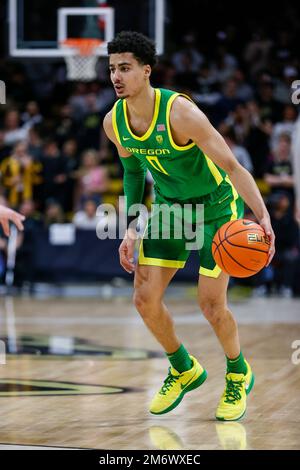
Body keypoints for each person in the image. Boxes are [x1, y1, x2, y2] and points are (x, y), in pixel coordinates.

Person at [103, 31, 275, 421]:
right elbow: (131, 172)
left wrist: (262, 216)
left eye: (125, 68)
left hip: (215, 208)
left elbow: (232, 167)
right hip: (169, 209)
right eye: (112, 68)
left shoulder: (181, 113)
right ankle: (183, 368)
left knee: (211, 305)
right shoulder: (114, 122)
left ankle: (237, 372)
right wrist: (131, 226)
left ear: (146, 71)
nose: (116, 76)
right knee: (144, 300)